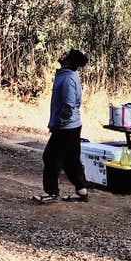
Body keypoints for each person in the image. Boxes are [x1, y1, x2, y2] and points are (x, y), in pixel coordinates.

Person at [33, 49, 91, 204]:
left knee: (50, 157)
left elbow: (68, 105)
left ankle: (51, 193)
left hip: (66, 128)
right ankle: (81, 191)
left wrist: (59, 125)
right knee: (71, 160)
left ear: (68, 61)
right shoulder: (67, 75)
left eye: (65, 54)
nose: (62, 54)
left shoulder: (67, 79)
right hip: (72, 126)